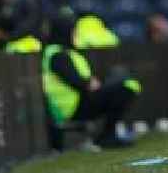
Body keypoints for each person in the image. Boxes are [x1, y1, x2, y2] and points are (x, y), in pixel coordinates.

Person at [42, 16, 141, 150]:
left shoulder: (60, 52)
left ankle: (109, 134)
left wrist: (93, 83)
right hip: (72, 108)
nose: (75, 35)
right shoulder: (58, 55)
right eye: (73, 31)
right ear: (64, 32)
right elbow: (77, 82)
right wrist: (90, 83)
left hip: (77, 102)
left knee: (123, 80)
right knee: (127, 87)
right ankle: (107, 137)